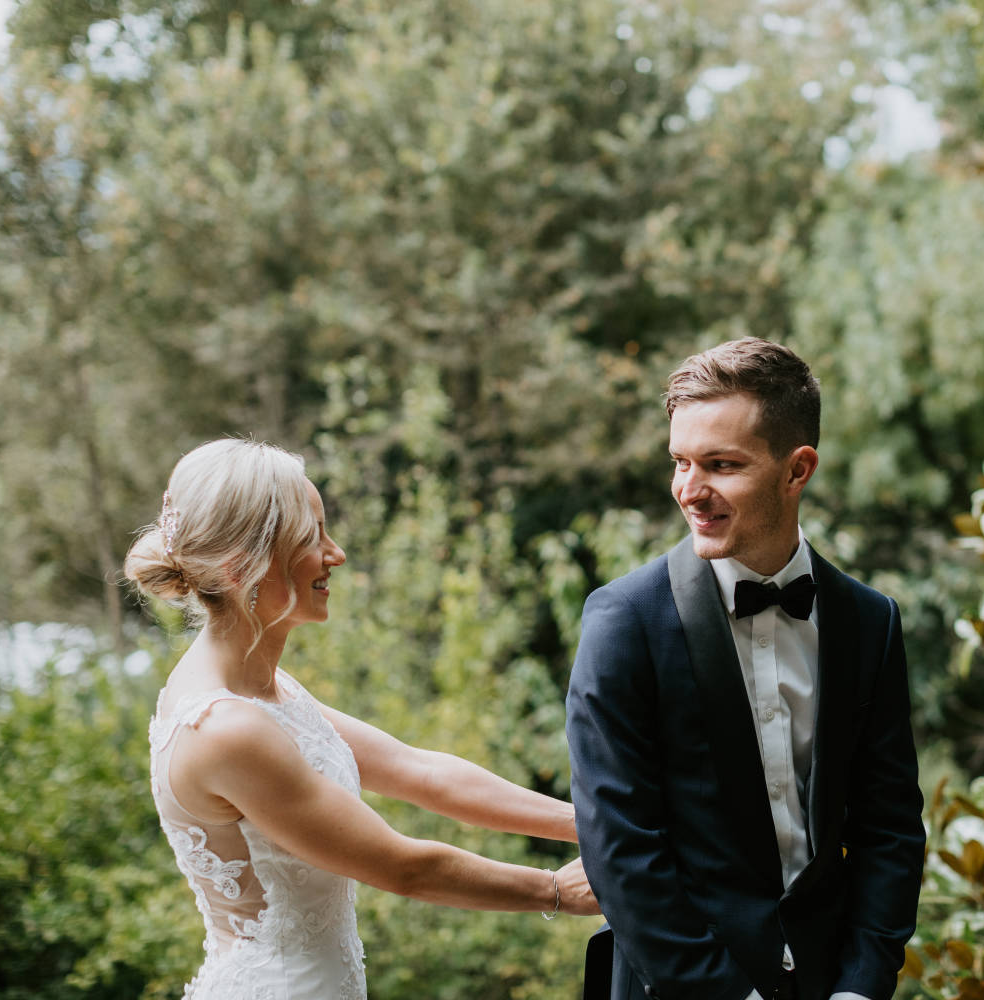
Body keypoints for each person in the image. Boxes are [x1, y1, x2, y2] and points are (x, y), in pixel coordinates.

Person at [124, 438, 598, 1000]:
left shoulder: (262, 689)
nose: (336, 553)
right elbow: (402, 867)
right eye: (310, 538)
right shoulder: (227, 728)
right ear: (238, 567)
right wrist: (554, 890)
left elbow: (420, 772)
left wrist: (598, 824)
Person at [566, 338, 925, 1000]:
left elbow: (889, 830)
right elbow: (622, 855)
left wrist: (860, 986)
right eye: (679, 462)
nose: (689, 490)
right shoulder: (622, 623)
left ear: (798, 470)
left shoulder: (870, 623)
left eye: (721, 465)